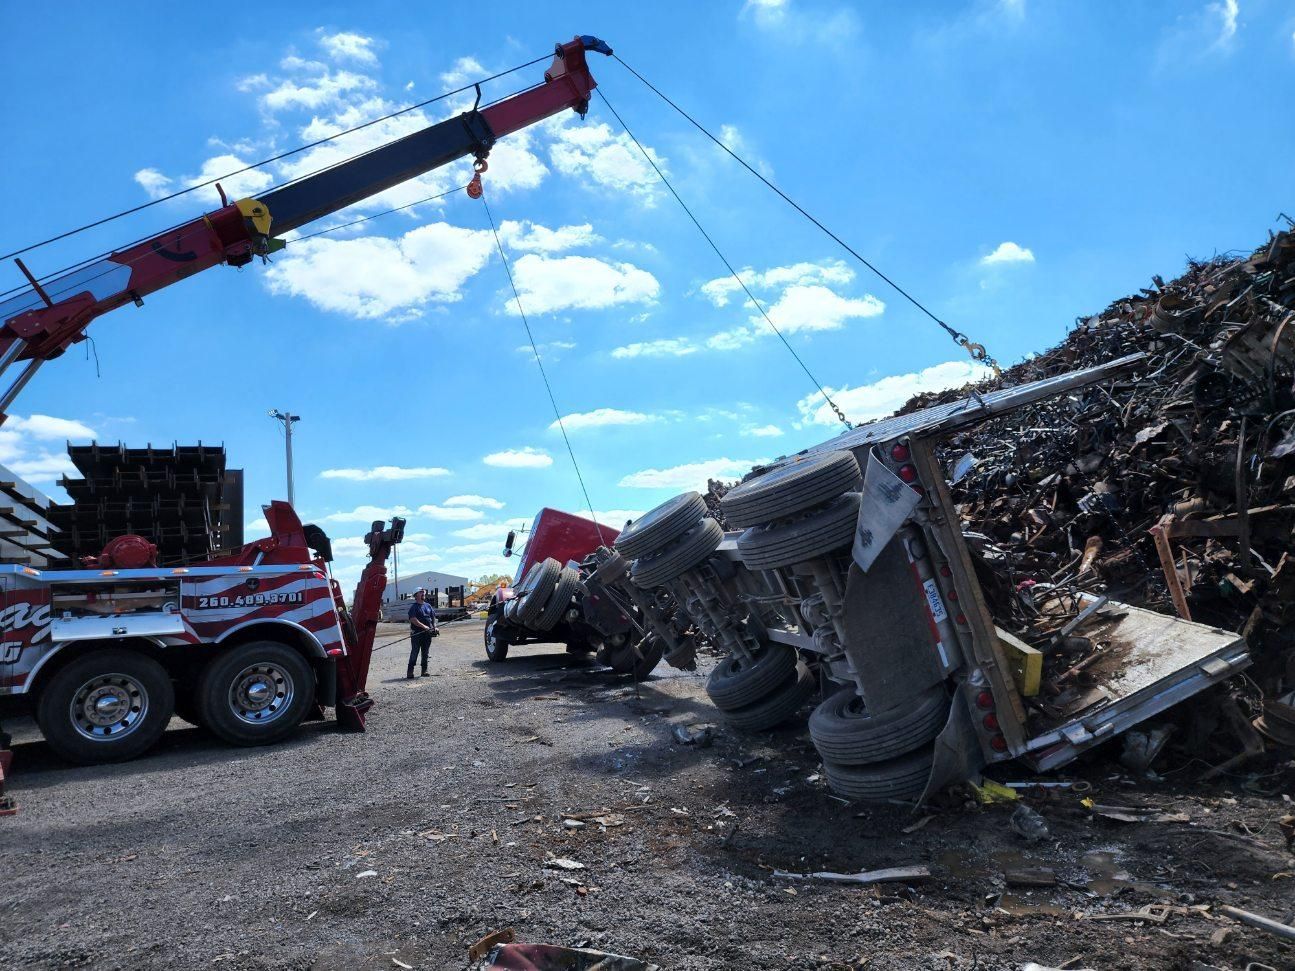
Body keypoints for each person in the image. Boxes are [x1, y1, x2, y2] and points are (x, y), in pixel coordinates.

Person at [406, 588, 437, 678]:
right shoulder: (414, 607)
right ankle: (410, 672)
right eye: (421, 592)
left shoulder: (428, 606)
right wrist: (424, 626)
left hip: (427, 634)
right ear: (416, 595)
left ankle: (424, 670)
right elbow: (413, 619)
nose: (423, 594)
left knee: (425, 653)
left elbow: (433, 618)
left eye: (423, 592)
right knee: (415, 652)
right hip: (417, 634)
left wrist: (434, 627)